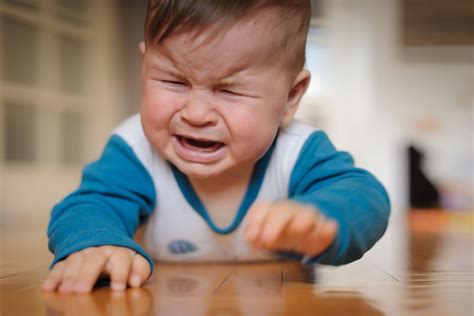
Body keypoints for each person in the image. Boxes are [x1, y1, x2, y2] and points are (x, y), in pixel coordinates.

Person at [42, 0, 390, 294]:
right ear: (144, 66)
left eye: (229, 91)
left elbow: (365, 196)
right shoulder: (135, 150)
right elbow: (91, 203)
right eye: (173, 81)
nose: (195, 114)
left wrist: (322, 217)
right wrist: (96, 242)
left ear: (289, 97)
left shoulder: (297, 152)